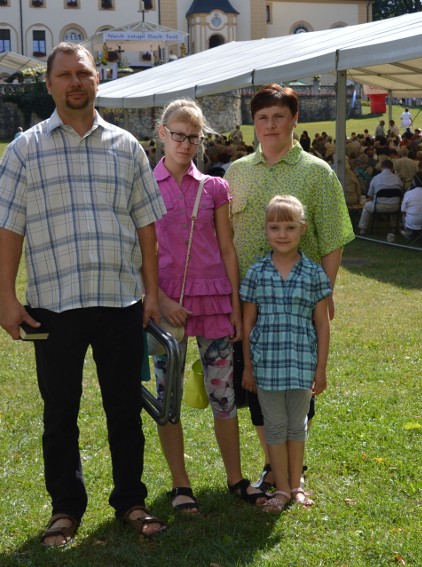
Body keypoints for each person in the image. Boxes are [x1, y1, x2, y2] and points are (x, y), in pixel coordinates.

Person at [0, 43, 167, 547]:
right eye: (64, 75)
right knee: (59, 413)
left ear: (97, 78)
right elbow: (8, 229)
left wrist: (152, 292)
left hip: (121, 301)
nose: (75, 82)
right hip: (51, 306)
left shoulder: (127, 146)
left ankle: (130, 500)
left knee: (124, 409)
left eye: (83, 73)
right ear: (50, 84)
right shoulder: (25, 148)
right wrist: (6, 298)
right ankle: (66, 509)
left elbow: (147, 226)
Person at [224, 83, 354, 494]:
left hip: (297, 304)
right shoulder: (237, 171)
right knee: (255, 385)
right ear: (253, 122)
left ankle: (292, 470)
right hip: (249, 304)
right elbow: (225, 238)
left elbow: (333, 238)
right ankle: (271, 464)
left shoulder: (317, 173)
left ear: (295, 120)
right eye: (262, 117)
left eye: (279, 116)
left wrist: (324, 294)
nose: (270, 125)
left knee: (298, 386)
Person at [150, 98, 268, 514]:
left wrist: (235, 307)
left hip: (216, 301)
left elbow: (227, 249)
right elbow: (137, 251)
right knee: (168, 399)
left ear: (202, 139)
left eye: (193, 137)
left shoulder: (214, 187)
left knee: (224, 396)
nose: (185, 143)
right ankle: (181, 484)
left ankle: (235, 477)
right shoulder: (145, 185)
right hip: (168, 307)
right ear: (162, 133)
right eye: (178, 135)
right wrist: (161, 300)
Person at [241, 195, 332, 512]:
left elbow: (322, 324)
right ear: (266, 231)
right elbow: (248, 322)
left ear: (302, 229)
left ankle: (295, 486)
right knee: (275, 427)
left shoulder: (314, 273)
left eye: (289, 227)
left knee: (298, 426)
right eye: (275, 227)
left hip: (301, 365)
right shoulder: (256, 273)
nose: (282, 234)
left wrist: (320, 370)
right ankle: (279, 489)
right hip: (266, 366)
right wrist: (248, 369)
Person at [358, 159, 403, 234]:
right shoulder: (397, 179)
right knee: (394, 202)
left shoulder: (376, 178)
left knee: (366, 206)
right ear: (392, 168)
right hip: (395, 207)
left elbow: (370, 195)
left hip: (379, 206)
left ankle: (363, 228)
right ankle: (395, 227)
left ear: (381, 167)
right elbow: (401, 193)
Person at [401, 171, 422, 238]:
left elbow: (403, 210)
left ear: (414, 181)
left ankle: (409, 232)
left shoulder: (408, 193)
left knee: (404, 216)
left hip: (412, 222)